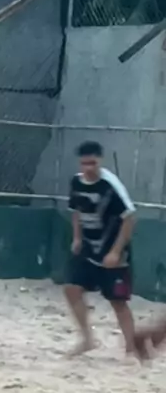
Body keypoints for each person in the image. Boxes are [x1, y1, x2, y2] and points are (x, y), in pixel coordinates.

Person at [64, 141, 137, 356]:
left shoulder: (110, 186)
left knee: (118, 302)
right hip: (88, 247)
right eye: (84, 163)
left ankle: (131, 348)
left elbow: (129, 218)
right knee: (71, 289)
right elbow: (75, 210)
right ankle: (87, 339)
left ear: (100, 161)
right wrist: (77, 238)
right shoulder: (76, 182)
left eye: (92, 163)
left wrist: (115, 252)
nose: (88, 168)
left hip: (112, 249)